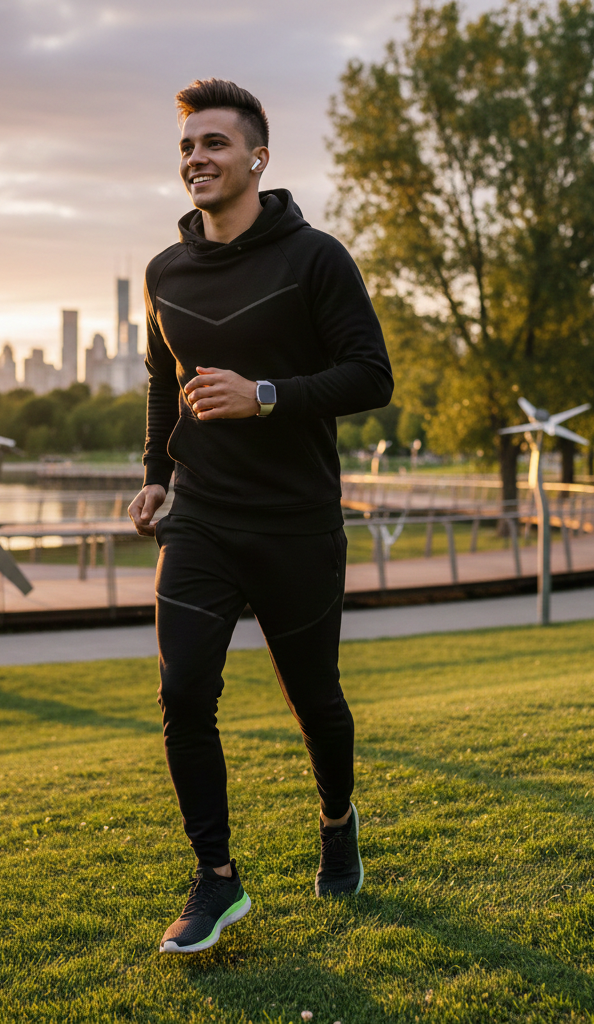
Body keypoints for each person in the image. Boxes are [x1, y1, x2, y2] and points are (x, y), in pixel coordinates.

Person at [128, 78, 394, 954]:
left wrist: (266, 395)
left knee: (315, 699)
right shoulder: (164, 271)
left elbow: (370, 375)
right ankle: (216, 879)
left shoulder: (316, 258)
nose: (196, 158)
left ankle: (337, 820)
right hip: (200, 515)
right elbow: (164, 378)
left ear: (257, 159)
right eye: (186, 147)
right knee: (181, 692)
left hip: (296, 521)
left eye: (213, 144)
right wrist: (157, 475)